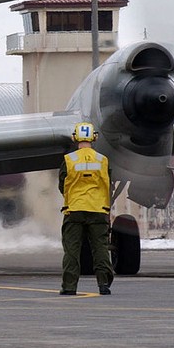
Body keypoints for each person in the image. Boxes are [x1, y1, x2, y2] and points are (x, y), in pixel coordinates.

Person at [58, 122, 115, 296]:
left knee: (72, 250)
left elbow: (62, 184)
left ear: (75, 137)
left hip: (74, 209)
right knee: (100, 248)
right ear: (94, 137)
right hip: (98, 210)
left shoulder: (69, 160)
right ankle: (104, 284)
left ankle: (69, 287)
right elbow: (108, 184)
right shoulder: (103, 160)